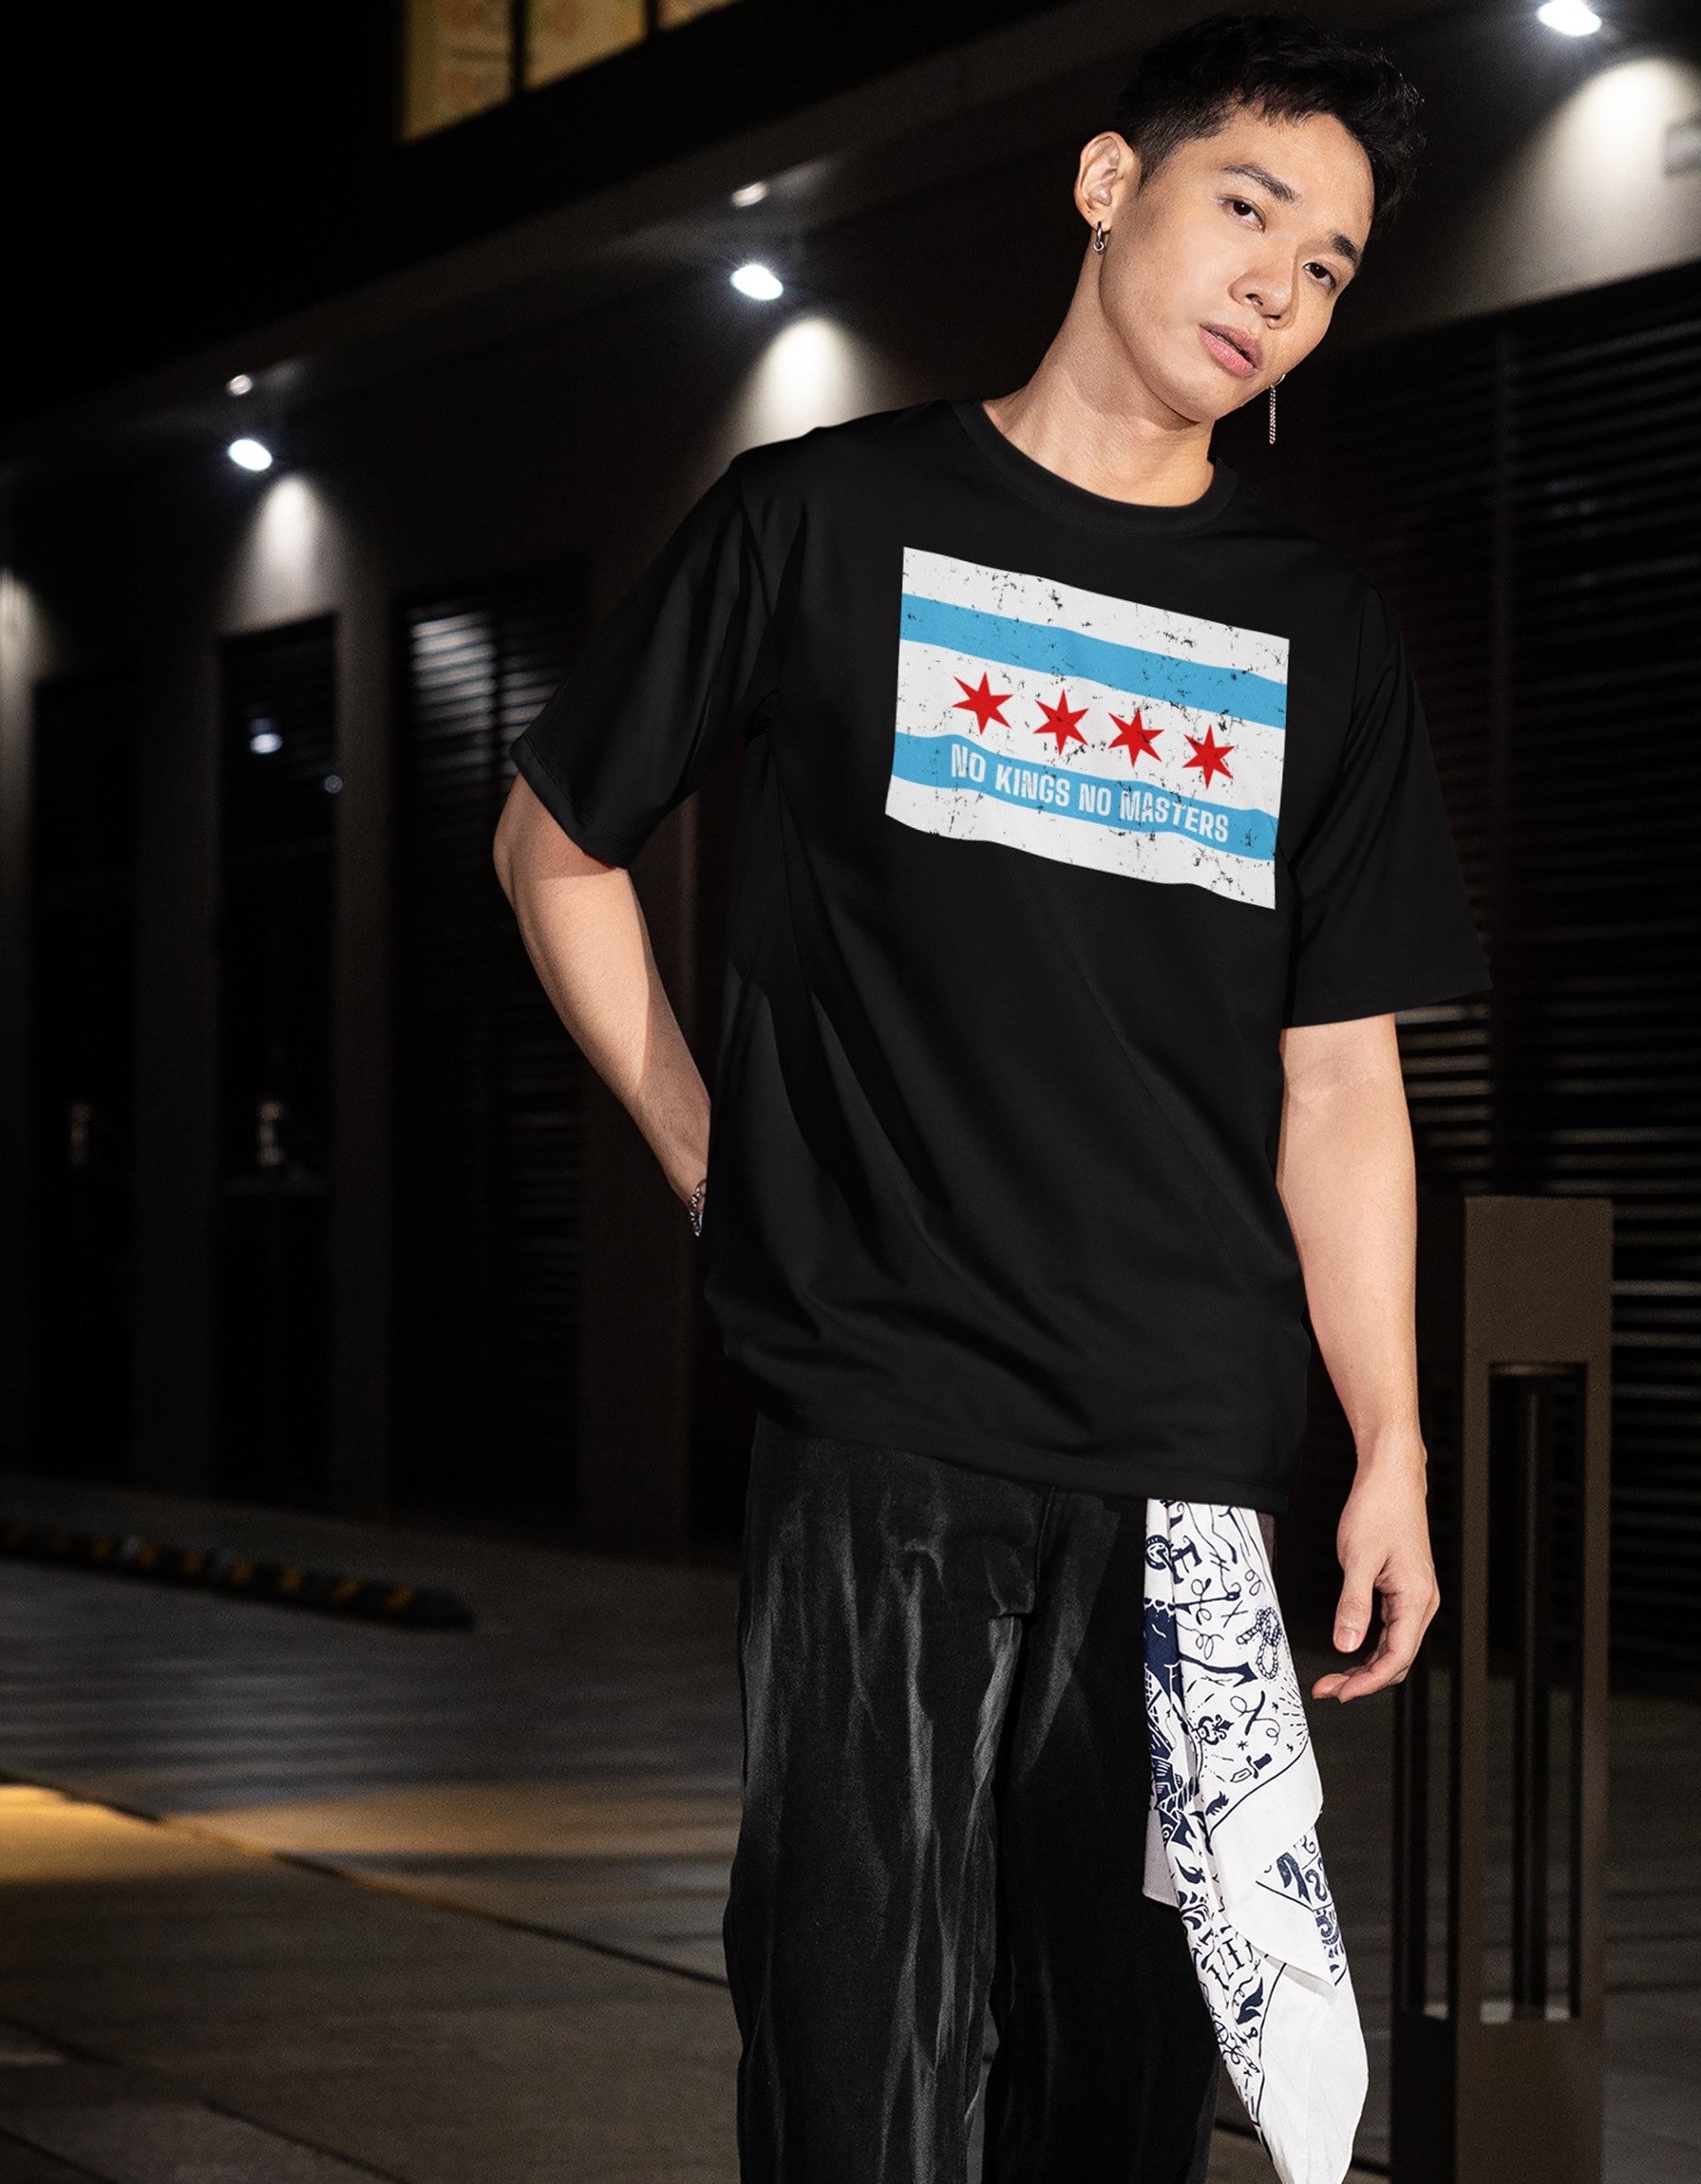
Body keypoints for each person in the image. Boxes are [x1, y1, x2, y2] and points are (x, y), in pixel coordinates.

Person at [493, 15, 1488, 2179]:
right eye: (1247, 211)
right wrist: (708, 1156)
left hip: (1189, 1453)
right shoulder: (827, 519)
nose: (1277, 286)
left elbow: (1339, 1077)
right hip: (881, 1404)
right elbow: (553, 843)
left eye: (1328, 265)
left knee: (1124, 2069)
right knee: (856, 2029)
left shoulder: (1317, 627)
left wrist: (1393, 1442)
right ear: (1106, 179)